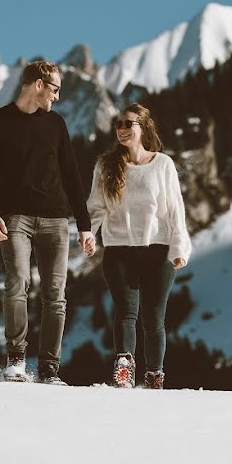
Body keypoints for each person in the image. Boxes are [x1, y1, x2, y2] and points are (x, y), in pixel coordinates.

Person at [0, 60, 95, 385]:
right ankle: (16, 361)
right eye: (55, 89)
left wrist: (84, 225)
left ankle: (49, 369)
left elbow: (72, 176)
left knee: (55, 295)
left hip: (56, 220)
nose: (57, 97)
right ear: (38, 85)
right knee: (17, 283)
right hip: (15, 218)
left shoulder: (56, 124)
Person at [86, 103, 191, 389]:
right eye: (118, 124)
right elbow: (95, 207)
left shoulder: (163, 164)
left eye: (128, 124)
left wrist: (180, 247)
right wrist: (88, 233)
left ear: (143, 127)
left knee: (153, 319)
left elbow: (175, 209)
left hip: (159, 250)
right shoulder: (105, 165)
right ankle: (124, 368)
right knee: (125, 311)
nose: (121, 129)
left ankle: (154, 375)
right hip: (119, 250)